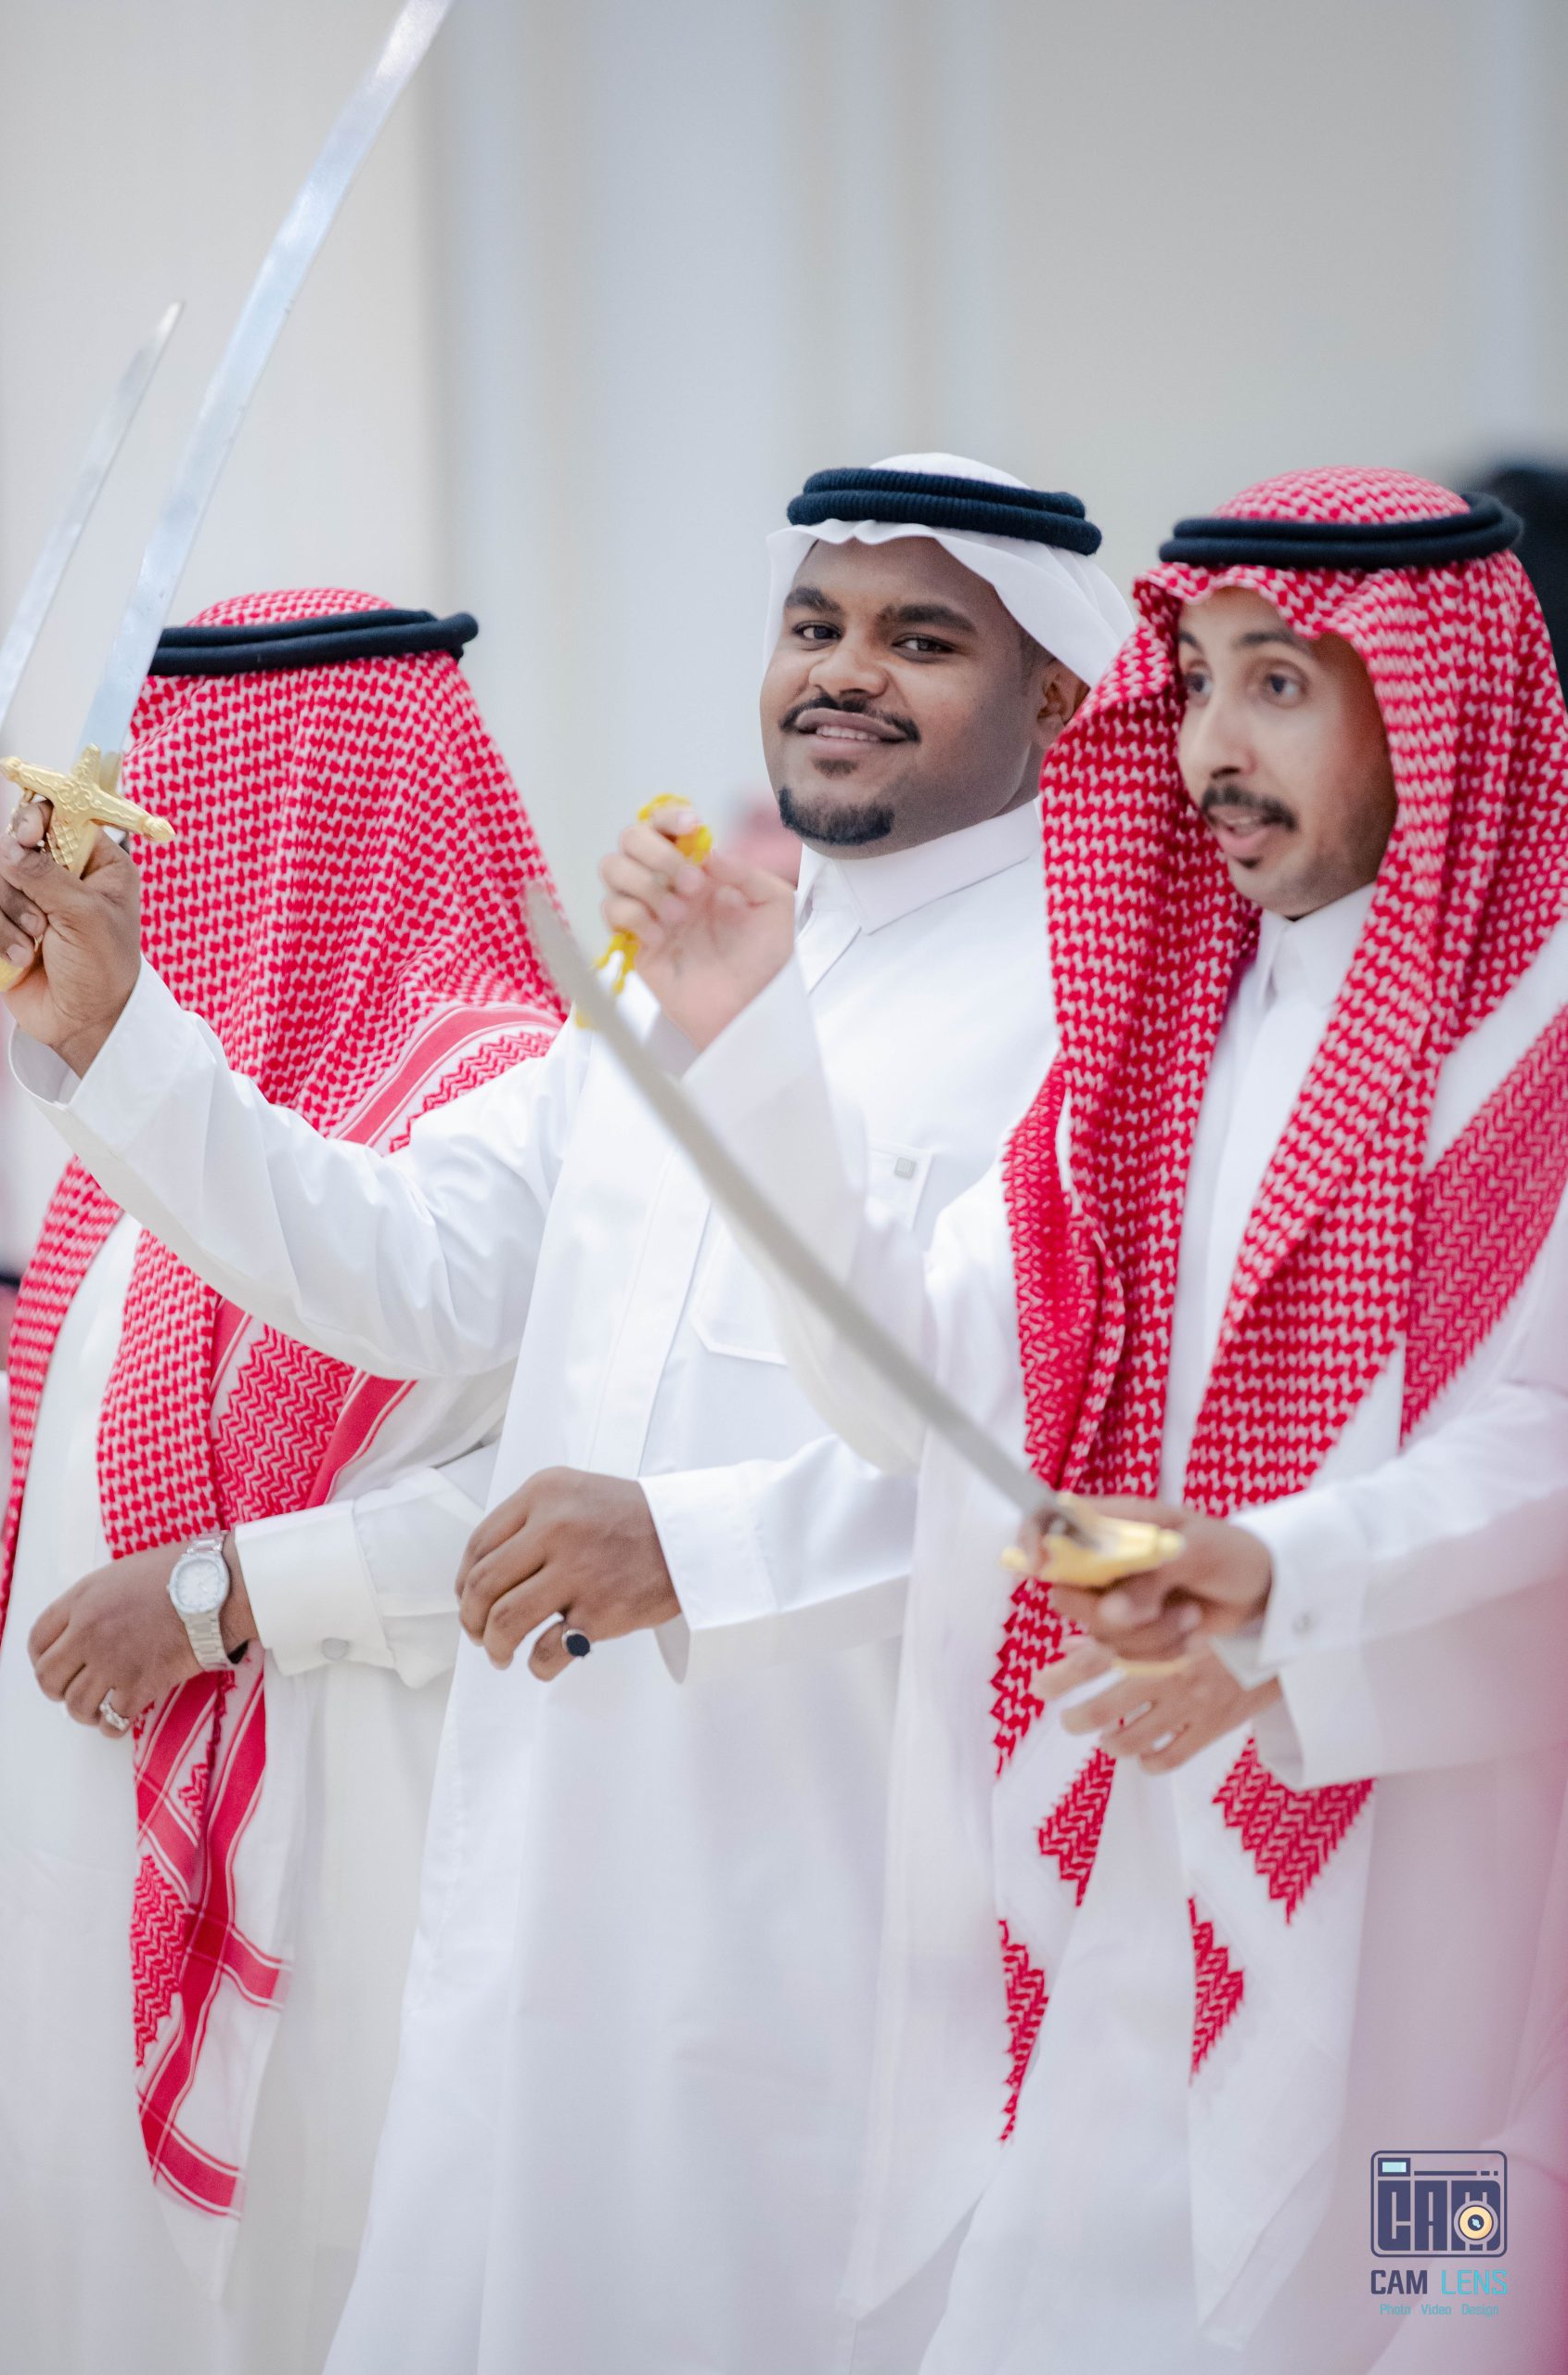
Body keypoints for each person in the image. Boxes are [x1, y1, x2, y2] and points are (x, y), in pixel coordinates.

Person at [0, 456, 1131, 2373]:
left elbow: (1041, 1466)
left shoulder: (1078, 1020)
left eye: (920, 639)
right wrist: (116, 1028)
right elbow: (404, 1264)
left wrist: (690, 1544)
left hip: (836, 1881)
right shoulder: (689, 977)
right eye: (813, 625)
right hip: (542, 1858)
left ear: (1062, 695)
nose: (844, 671)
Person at [610, 469, 1568, 2371]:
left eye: (1279, 684)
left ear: (1431, 702)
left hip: (1440, 1890)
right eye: (1193, 682)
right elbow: (910, 1387)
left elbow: (1540, 1441)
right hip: (1138, 1872)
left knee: (1420, 2304)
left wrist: (1274, 1591)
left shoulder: (1532, 1053)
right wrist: (756, 1046)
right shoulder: (1146, 1057)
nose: (1213, 747)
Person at [0, 591, 560, 2374]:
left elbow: (541, 1497)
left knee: (320, 2276)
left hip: (359, 1824)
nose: (188, 847)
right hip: (75, 1838)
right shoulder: (146, 1129)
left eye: (231, 789)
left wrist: (229, 1596)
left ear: (373, 793)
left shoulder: (510, 1102)